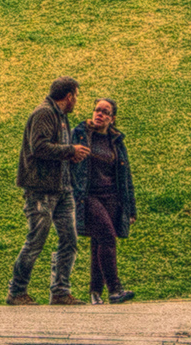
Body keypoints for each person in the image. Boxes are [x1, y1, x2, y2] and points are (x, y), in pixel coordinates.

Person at [7, 75, 86, 306]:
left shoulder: (60, 116)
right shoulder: (44, 113)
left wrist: (71, 156)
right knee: (36, 240)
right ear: (69, 96)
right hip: (41, 190)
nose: (77, 102)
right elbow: (38, 147)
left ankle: (60, 291)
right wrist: (70, 150)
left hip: (63, 188)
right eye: (76, 97)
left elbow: (55, 149)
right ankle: (16, 291)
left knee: (69, 240)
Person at [69, 94, 136, 304]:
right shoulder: (79, 134)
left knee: (100, 241)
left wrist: (130, 208)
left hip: (112, 198)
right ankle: (115, 289)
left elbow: (126, 177)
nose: (100, 114)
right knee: (107, 237)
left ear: (112, 118)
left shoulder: (116, 141)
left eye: (105, 112)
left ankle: (95, 292)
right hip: (87, 196)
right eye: (97, 110)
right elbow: (66, 162)